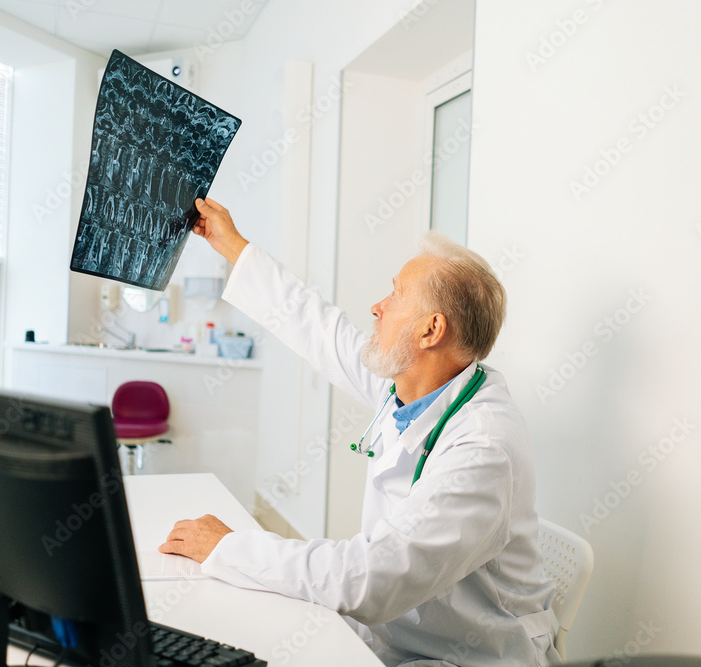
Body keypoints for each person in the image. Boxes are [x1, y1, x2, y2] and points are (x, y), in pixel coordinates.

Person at [159, 198, 559, 666]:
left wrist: (229, 547)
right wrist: (231, 244)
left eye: (395, 296)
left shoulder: (483, 447)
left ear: (431, 330)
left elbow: (371, 579)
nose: (377, 307)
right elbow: (317, 327)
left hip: (469, 654)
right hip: (401, 633)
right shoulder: (416, 386)